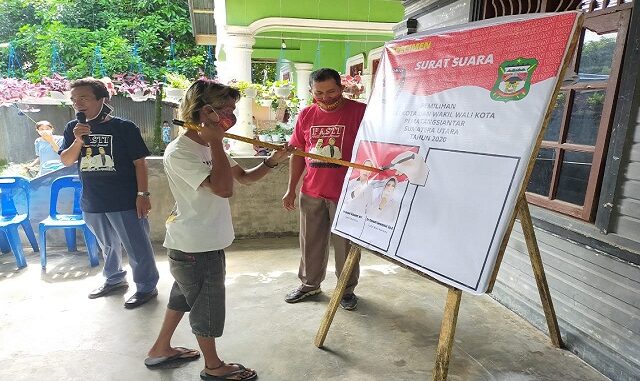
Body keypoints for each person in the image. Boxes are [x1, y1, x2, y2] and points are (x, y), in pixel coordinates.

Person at [146, 79, 290, 380]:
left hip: (198, 241)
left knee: (185, 296)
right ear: (203, 111)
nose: (230, 115)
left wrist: (273, 162)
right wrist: (215, 141)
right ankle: (213, 367)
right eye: (224, 109)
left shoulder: (210, 146)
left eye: (232, 108)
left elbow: (245, 178)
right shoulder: (182, 151)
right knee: (206, 305)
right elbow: (223, 189)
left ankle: (161, 348)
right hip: (196, 245)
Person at [59, 77, 159, 309]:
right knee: (107, 245)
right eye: (74, 100)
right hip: (93, 199)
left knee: (137, 245)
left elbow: (140, 163)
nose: (78, 104)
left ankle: (146, 286)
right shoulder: (72, 129)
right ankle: (114, 279)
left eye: (83, 98)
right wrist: (78, 140)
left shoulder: (124, 128)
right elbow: (66, 160)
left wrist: (143, 194)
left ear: (101, 99)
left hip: (125, 199)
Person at [282, 68, 366, 311]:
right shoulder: (306, 114)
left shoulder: (359, 112)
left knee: (346, 247)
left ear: (341, 88)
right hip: (312, 191)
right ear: (311, 92)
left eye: (331, 91)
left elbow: (373, 148)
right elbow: (297, 154)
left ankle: (346, 289)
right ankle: (309, 285)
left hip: (349, 194)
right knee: (310, 242)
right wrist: (291, 189)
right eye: (319, 93)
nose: (326, 97)